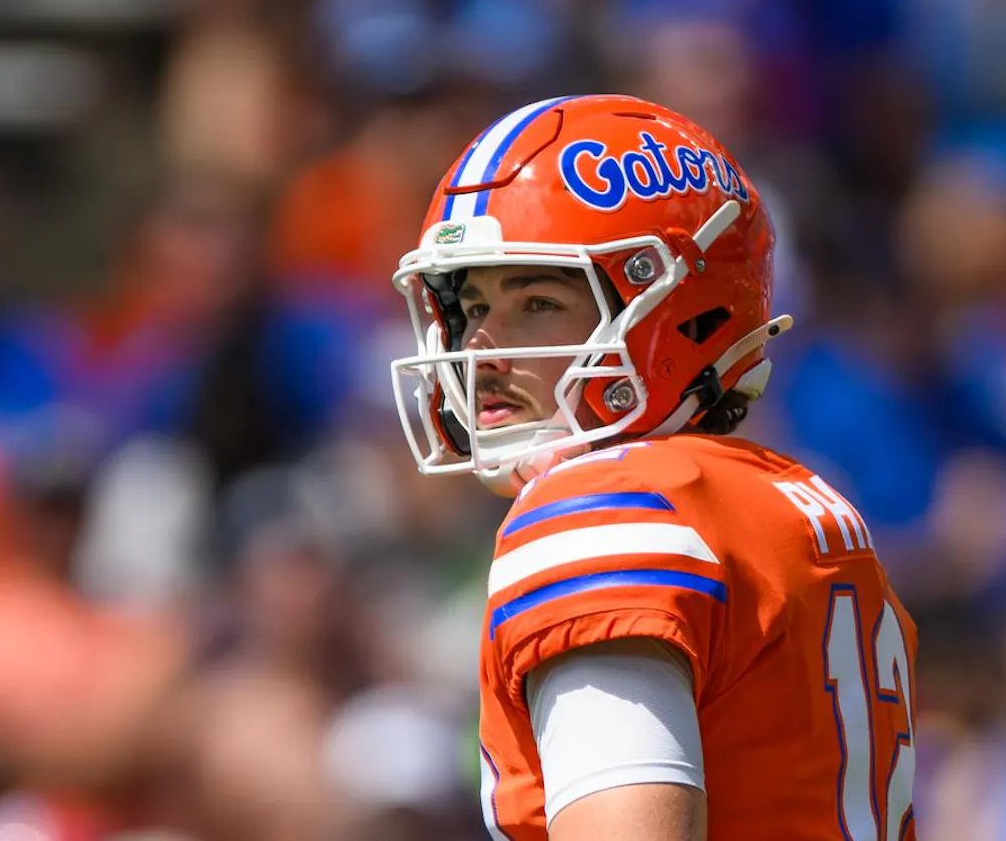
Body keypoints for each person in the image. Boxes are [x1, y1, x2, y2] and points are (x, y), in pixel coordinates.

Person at [387, 94, 918, 840]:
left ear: (680, 309)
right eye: (471, 306)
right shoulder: (802, 504)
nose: (479, 348)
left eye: (535, 302)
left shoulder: (606, 510)